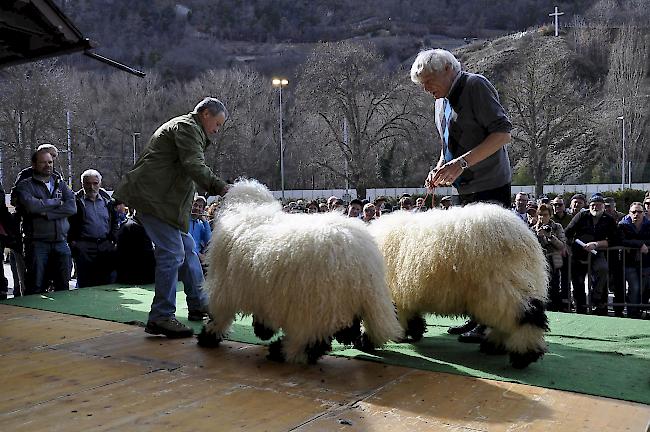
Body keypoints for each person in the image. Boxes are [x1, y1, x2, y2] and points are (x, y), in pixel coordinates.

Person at [411, 48, 513, 342]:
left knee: (489, 260)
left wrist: (461, 163)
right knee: (469, 258)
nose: (426, 88)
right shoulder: (440, 100)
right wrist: (441, 167)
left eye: (429, 81)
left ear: (448, 70)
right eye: (422, 84)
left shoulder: (476, 86)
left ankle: (495, 321)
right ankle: (477, 317)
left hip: (490, 184)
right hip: (463, 188)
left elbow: (503, 134)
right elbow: (449, 145)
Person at [113, 97, 230, 338]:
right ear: (205, 114)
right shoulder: (187, 128)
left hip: (162, 202)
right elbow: (194, 165)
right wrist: (222, 188)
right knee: (173, 252)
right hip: (154, 200)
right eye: (217, 124)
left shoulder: (187, 128)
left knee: (187, 249)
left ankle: (198, 304)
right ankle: (161, 316)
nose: (217, 131)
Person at [14, 149, 76, 294]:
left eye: (50, 162)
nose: (48, 165)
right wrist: (57, 202)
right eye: (43, 162)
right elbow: (32, 206)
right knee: (36, 285)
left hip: (61, 242)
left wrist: (48, 214)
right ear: (34, 164)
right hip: (37, 243)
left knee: (63, 285)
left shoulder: (60, 184)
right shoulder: (25, 185)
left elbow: (72, 207)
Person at [565, 194, 618, 315]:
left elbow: (616, 239)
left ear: (603, 206)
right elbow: (567, 232)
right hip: (578, 254)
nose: (595, 207)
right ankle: (580, 309)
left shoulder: (609, 219)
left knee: (603, 269)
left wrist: (597, 244)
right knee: (578, 282)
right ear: (589, 206)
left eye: (598, 205)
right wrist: (568, 246)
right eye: (593, 205)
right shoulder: (581, 216)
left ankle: (596, 298)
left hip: (597, 254)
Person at [68, 169, 119, 288]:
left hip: (105, 245)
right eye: (88, 183)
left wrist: (114, 240)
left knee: (107, 281)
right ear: (82, 184)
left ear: (100, 183)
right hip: (84, 246)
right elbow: (68, 223)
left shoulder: (108, 202)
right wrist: (74, 243)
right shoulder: (75, 202)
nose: (92, 187)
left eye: (95, 183)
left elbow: (115, 222)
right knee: (85, 282)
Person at [618, 202, 650, 318]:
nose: (637, 214)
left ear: (644, 213)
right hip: (629, 262)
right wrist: (640, 244)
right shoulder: (622, 225)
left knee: (643, 287)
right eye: (634, 212)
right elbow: (621, 240)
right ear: (629, 213)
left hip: (645, 262)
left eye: (640, 212)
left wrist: (643, 244)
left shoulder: (648, 224)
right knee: (634, 287)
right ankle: (632, 314)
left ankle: (639, 311)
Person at [534, 203, 568, 311]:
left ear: (550, 215)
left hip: (554, 261)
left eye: (545, 215)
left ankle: (555, 307)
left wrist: (550, 237)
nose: (542, 217)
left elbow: (562, 245)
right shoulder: (532, 228)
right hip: (538, 262)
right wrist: (537, 236)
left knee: (554, 286)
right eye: (540, 214)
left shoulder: (557, 227)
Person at [188, 196, 211, 266]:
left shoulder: (200, 224)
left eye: (200, 206)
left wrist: (205, 222)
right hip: (187, 255)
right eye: (195, 205)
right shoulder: (185, 221)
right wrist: (198, 254)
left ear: (203, 210)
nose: (197, 208)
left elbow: (208, 240)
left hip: (197, 257)